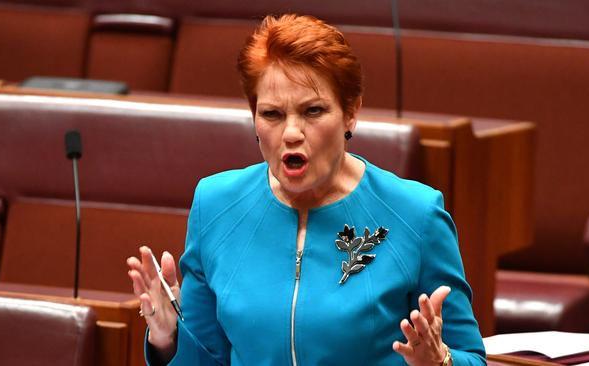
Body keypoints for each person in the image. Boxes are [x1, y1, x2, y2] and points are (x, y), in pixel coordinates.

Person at [127, 14, 486, 366]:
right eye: (272, 114)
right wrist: (169, 337)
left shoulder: (415, 214)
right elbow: (208, 360)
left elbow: (471, 357)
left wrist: (441, 362)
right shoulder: (216, 205)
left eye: (313, 111)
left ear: (350, 112)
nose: (291, 133)